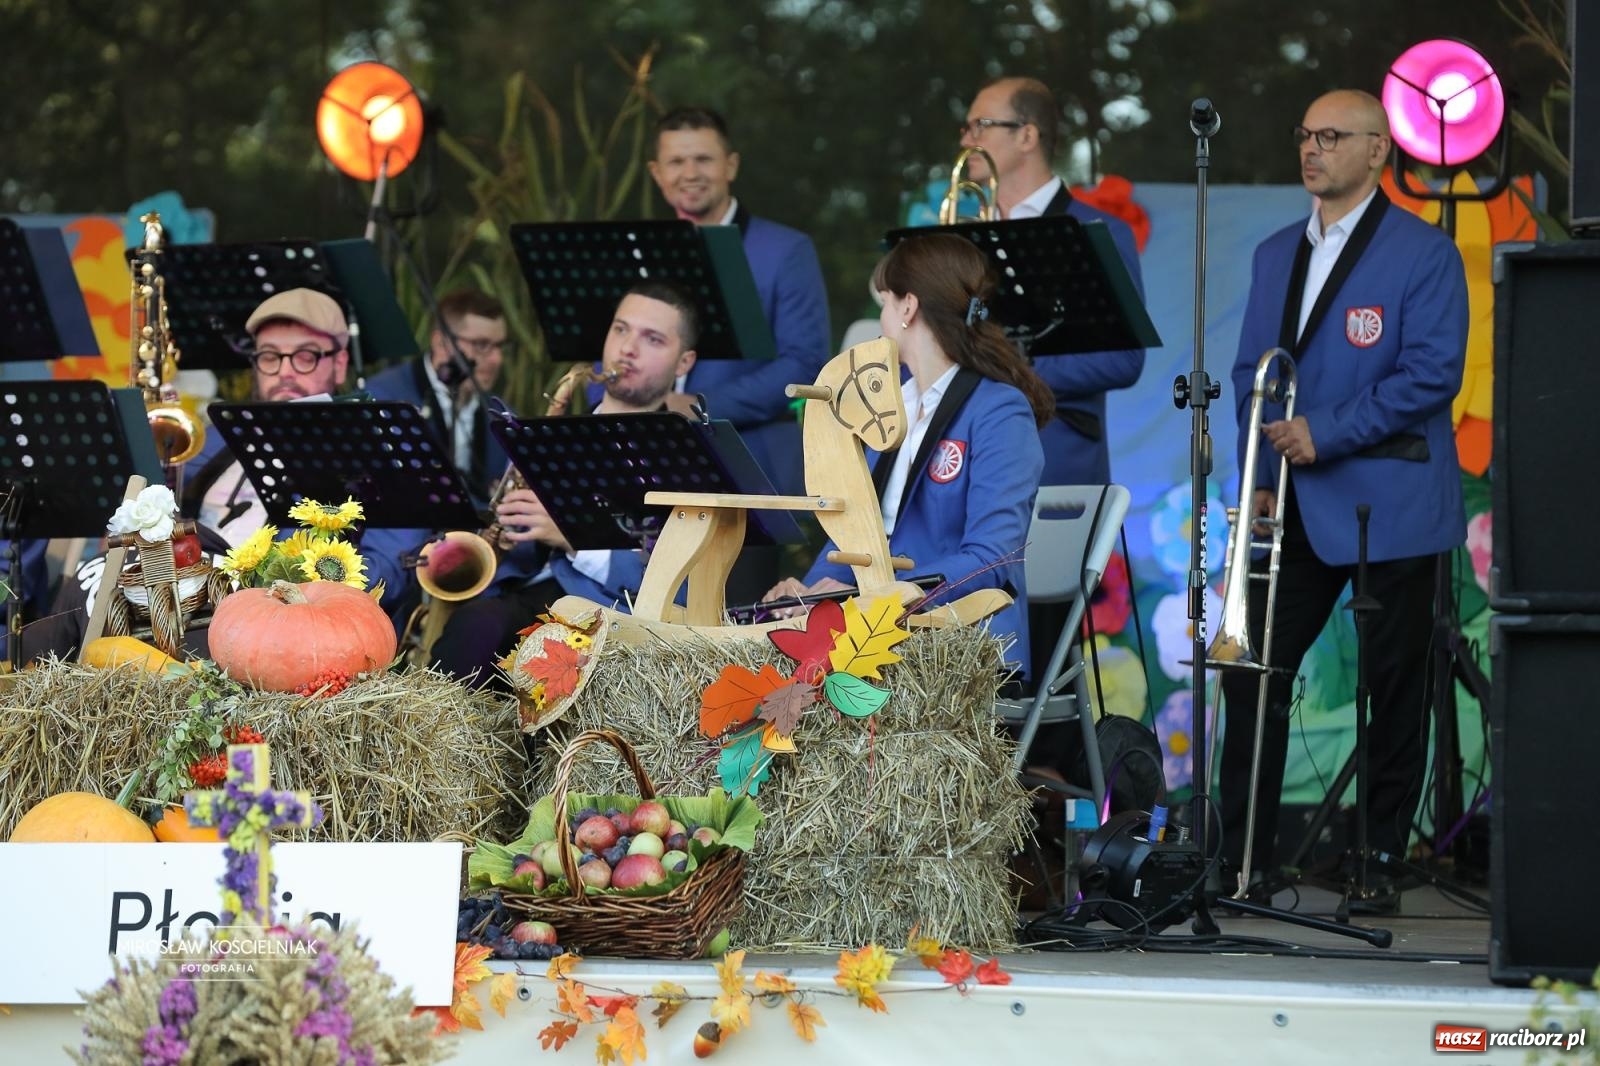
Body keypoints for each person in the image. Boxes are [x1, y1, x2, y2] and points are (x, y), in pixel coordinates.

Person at [1219, 89, 1469, 912]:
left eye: (1331, 135)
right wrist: (1257, 478)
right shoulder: (1271, 254)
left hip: (1388, 502)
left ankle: (1379, 860)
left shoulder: (1424, 253)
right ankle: (1243, 858)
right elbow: (1251, 376)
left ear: (1377, 152)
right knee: (1253, 669)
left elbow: (1433, 375)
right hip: (1289, 498)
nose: (1311, 147)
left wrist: (1325, 430)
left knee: (1392, 685)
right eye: (1305, 132)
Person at [42, 289, 411, 656]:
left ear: (340, 362)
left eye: (304, 357)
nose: (284, 372)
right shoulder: (218, 435)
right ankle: (33, 693)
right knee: (95, 574)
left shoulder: (377, 449)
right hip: (179, 582)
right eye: (269, 357)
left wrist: (301, 574)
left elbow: (391, 570)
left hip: (272, 610)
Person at [764, 233, 1049, 680]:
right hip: (876, 628)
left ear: (908, 307)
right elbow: (854, 531)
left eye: (884, 302)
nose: (880, 320)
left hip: (954, 645)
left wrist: (871, 592)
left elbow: (993, 557)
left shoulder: (999, 410)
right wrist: (808, 595)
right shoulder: (890, 403)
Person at [423, 282, 701, 686]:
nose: (628, 348)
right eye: (620, 330)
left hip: (607, 617)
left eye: (652, 339)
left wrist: (574, 534)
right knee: (475, 627)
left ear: (684, 362)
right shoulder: (551, 435)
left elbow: (682, 583)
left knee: (494, 631)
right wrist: (505, 532)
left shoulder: (690, 460)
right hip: (521, 598)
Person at [959, 76, 1146, 488]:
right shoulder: (960, 236)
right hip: (965, 459)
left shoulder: (1097, 231)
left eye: (980, 126)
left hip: (1056, 461)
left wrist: (1008, 367)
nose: (966, 140)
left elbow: (1124, 358)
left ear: (1027, 135)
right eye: (966, 127)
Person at [645, 107, 832, 498]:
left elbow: (805, 362)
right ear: (656, 173)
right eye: (676, 161)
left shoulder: (787, 250)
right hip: (649, 461)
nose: (690, 173)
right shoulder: (639, 253)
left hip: (751, 466)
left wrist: (698, 405)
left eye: (703, 159)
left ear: (731, 166)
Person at [365, 289, 512, 504]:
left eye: (500, 346)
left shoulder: (501, 415)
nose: (496, 359)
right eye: (481, 345)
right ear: (441, 343)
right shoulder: (383, 398)